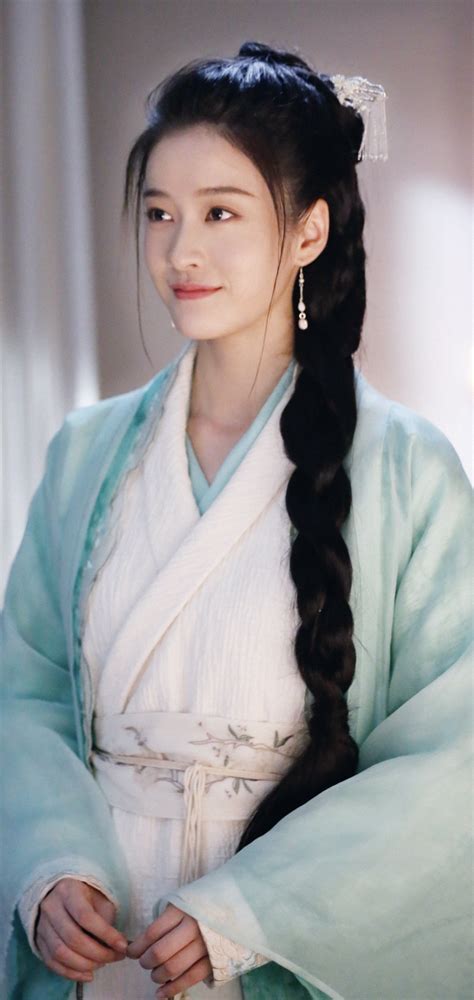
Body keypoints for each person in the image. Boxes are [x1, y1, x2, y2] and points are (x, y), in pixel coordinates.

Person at [1, 39, 472, 1000]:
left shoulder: (407, 467)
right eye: (159, 213)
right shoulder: (85, 453)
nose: (181, 250)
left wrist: (255, 912)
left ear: (307, 232)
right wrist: (48, 867)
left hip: (274, 950)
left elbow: (455, 756)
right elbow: (26, 694)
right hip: (103, 948)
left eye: (220, 212)